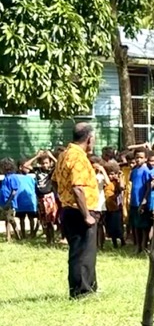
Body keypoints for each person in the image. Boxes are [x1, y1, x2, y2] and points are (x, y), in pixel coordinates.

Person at [53, 123, 100, 298]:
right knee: (83, 252)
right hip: (80, 211)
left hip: (69, 209)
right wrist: (86, 215)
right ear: (89, 138)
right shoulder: (78, 157)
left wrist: (63, 200)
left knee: (83, 251)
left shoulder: (64, 154)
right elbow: (78, 188)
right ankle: (82, 291)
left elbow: (54, 181)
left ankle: (90, 286)